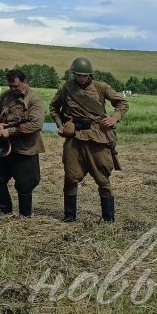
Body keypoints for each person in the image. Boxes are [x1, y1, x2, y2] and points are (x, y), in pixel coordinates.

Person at [50, 57, 128, 223]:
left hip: (97, 137)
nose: (80, 78)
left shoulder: (101, 87)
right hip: (74, 137)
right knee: (70, 177)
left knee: (102, 178)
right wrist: (60, 124)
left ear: (89, 75)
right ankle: (69, 217)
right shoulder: (66, 88)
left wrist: (115, 117)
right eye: (77, 75)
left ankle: (108, 219)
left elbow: (121, 103)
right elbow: (54, 107)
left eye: (84, 75)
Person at [0, 69, 45, 217]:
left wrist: (11, 131)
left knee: (25, 184)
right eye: (10, 86)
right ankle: (5, 210)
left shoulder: (34, 100)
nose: (12, 89)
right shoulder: (6, 96)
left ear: (25, 82)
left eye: (16, 86)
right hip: (4, 146)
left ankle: (25, 216)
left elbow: (36, 124)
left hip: (25, 148)